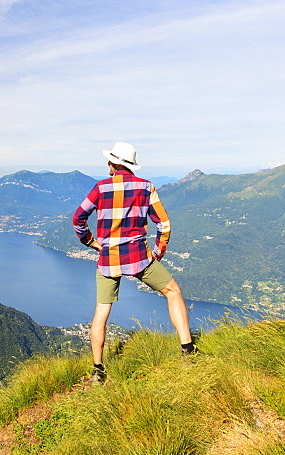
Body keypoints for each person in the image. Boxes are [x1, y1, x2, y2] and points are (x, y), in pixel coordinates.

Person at [72, 142, 195, 385]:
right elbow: (164, 224)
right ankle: (188, 351)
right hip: (140, 257)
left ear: (113, 163)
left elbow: (78, 218)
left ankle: (98, 370)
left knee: (101, 313)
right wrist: (158, 251)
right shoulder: (146, 187)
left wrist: (92, 242)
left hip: (108, 259)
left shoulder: (101, 188)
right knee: (173, 291)